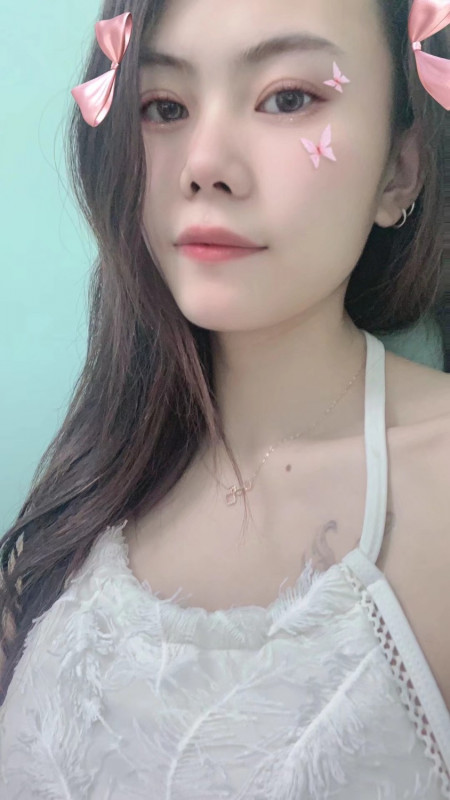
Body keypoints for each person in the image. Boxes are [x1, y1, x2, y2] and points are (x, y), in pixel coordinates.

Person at [1, 0, 450, 796]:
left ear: (400, 169)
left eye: (288, 98)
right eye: (164, 107)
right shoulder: (82, 491)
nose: (204, 164)